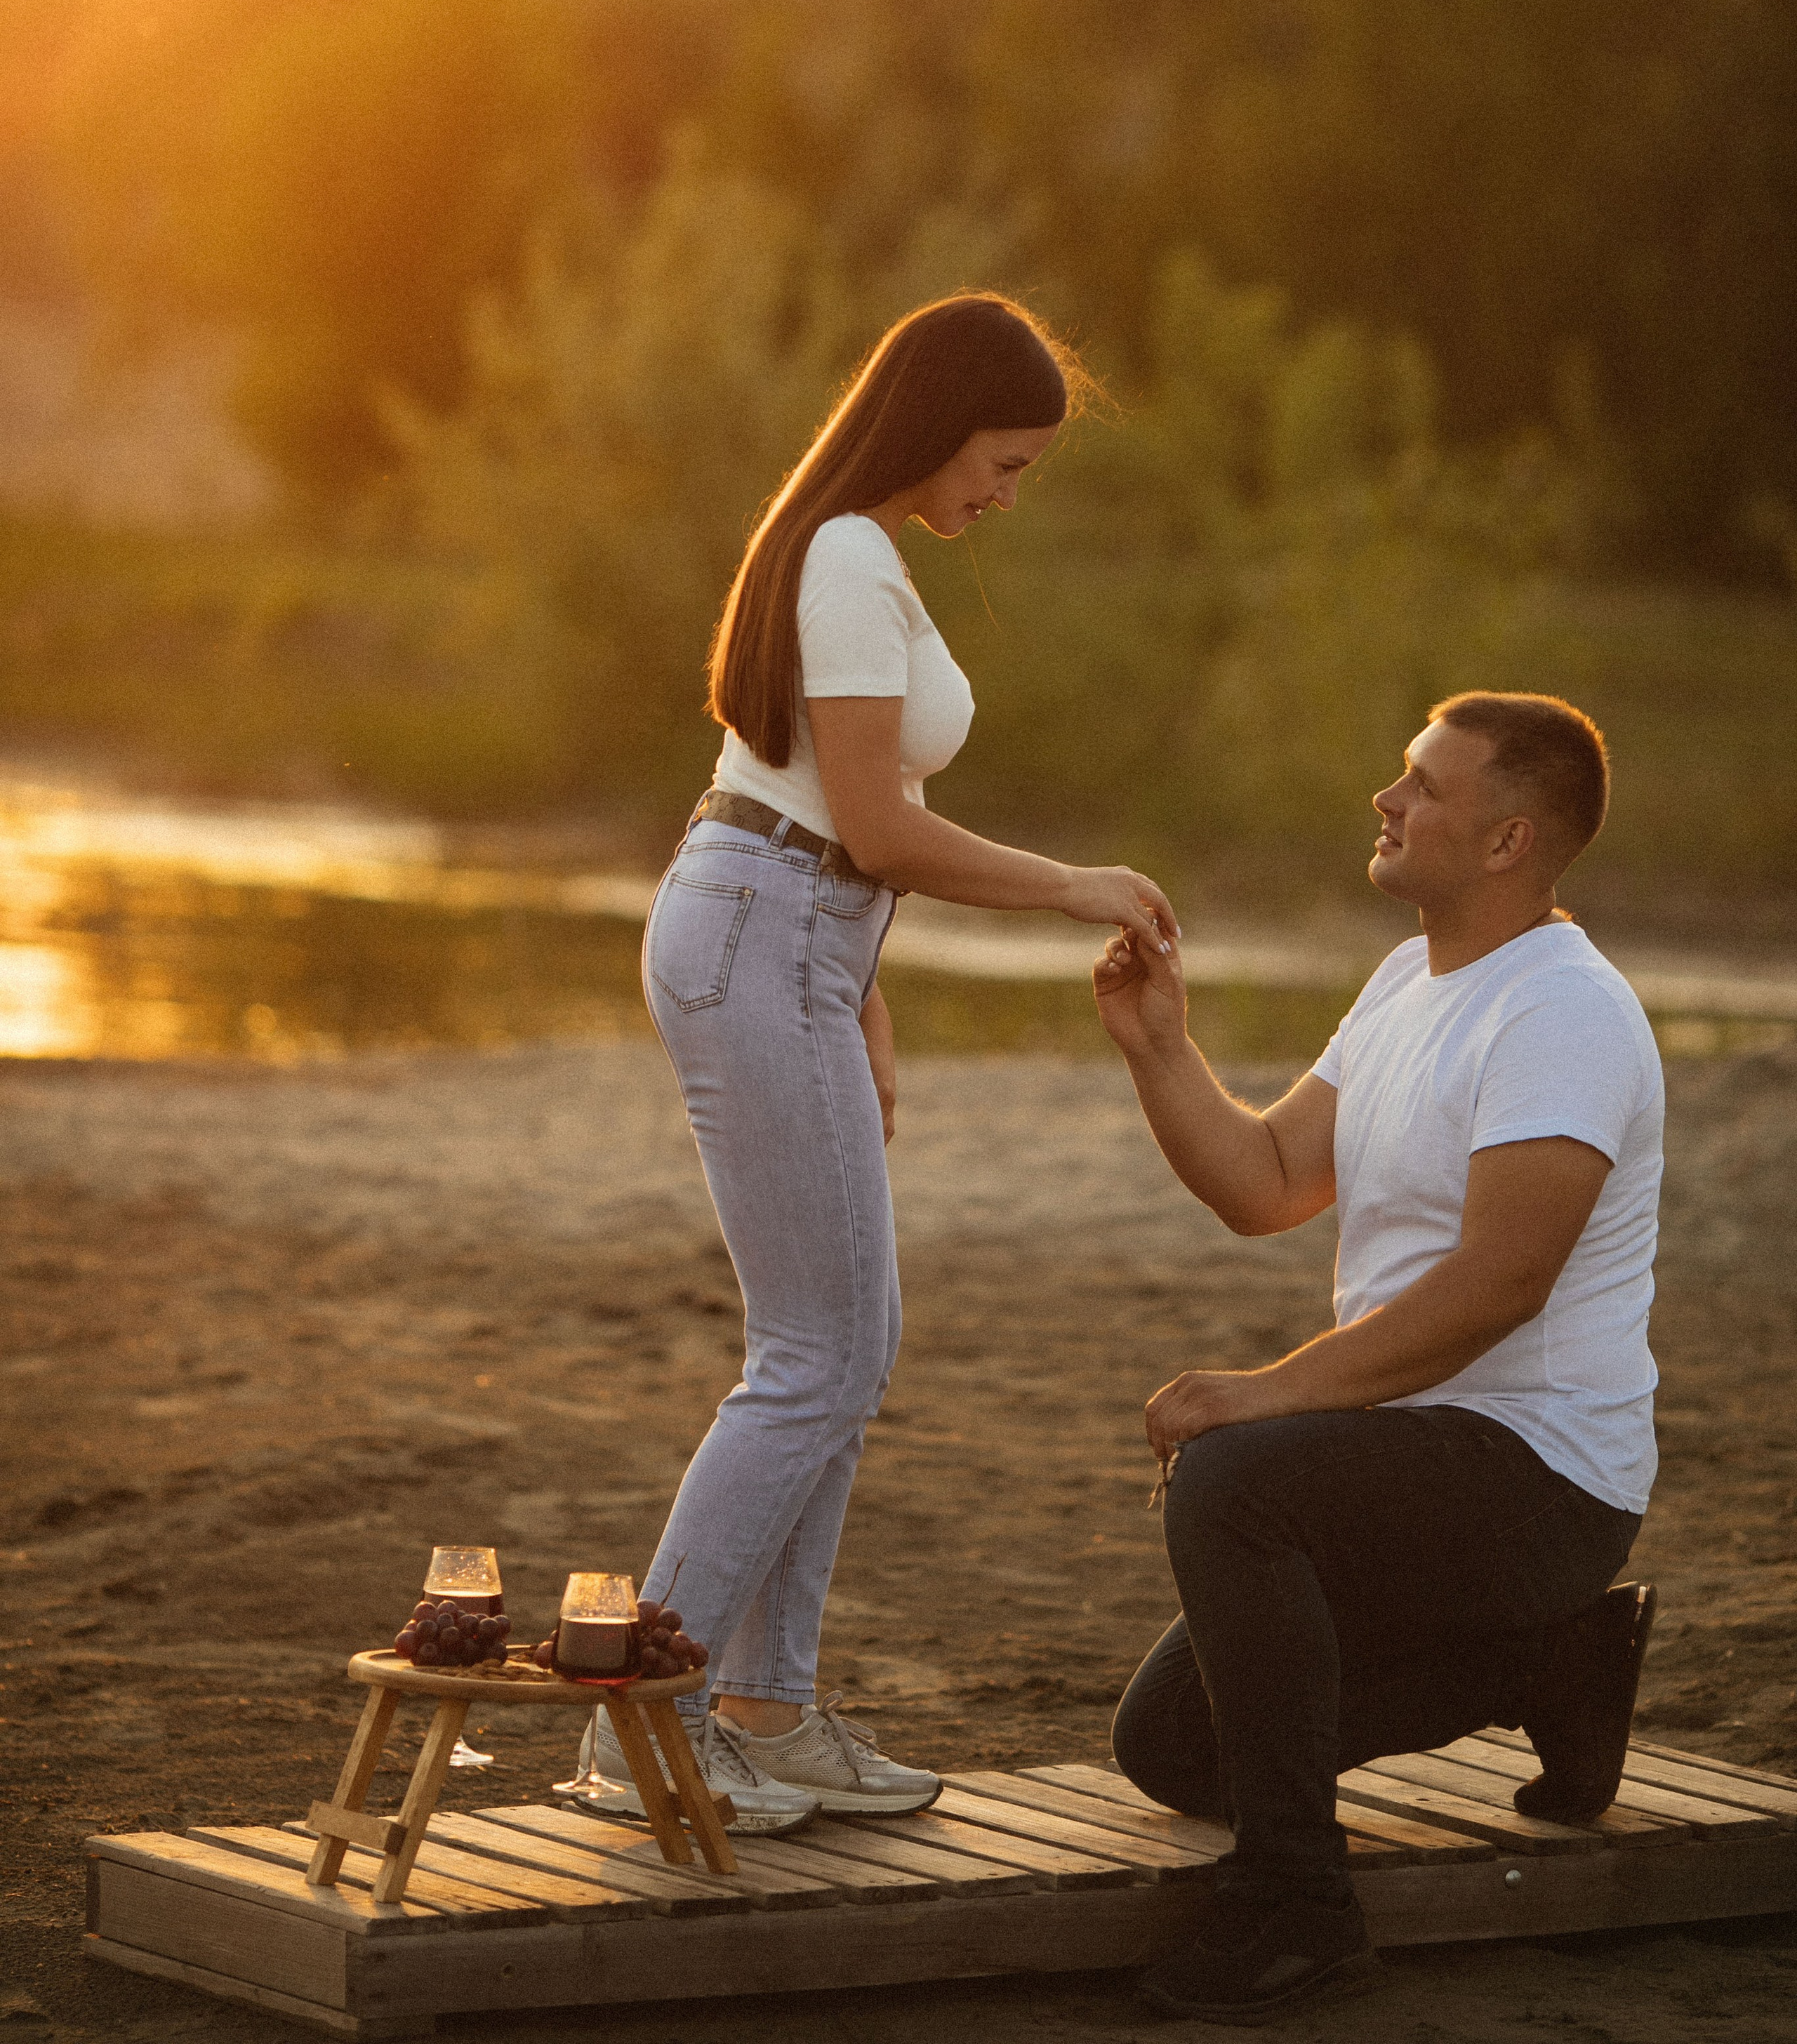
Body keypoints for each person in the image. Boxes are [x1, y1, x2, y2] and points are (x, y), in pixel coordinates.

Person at [570, 291, 1180, 1836]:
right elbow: (873, 821)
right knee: (814, 1357)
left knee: (843, 1347)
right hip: (763, 929)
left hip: (798, 938)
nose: (1005, 492)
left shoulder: (861, 552)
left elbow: (840, 829)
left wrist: (862, 992)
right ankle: (637, 1726)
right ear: (935, 424)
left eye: (1026, 469)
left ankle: (767, 1708)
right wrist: (1071, 885)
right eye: (1004, 458)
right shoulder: (845, 553)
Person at [1092, 691, 1662, 2024]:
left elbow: (1500, 1286)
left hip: (1542, 1475)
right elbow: (1269, 1178)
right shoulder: (1411, 979)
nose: (1385, 799)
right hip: (1406, 1457)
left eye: (1422, 784)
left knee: (1236, 1481)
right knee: (1172, 1745)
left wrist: (1263, 1394)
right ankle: (1543, 1667)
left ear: (1510, 839)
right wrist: (1161, 1048)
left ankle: (1298, 1906)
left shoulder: (1566, 1013)